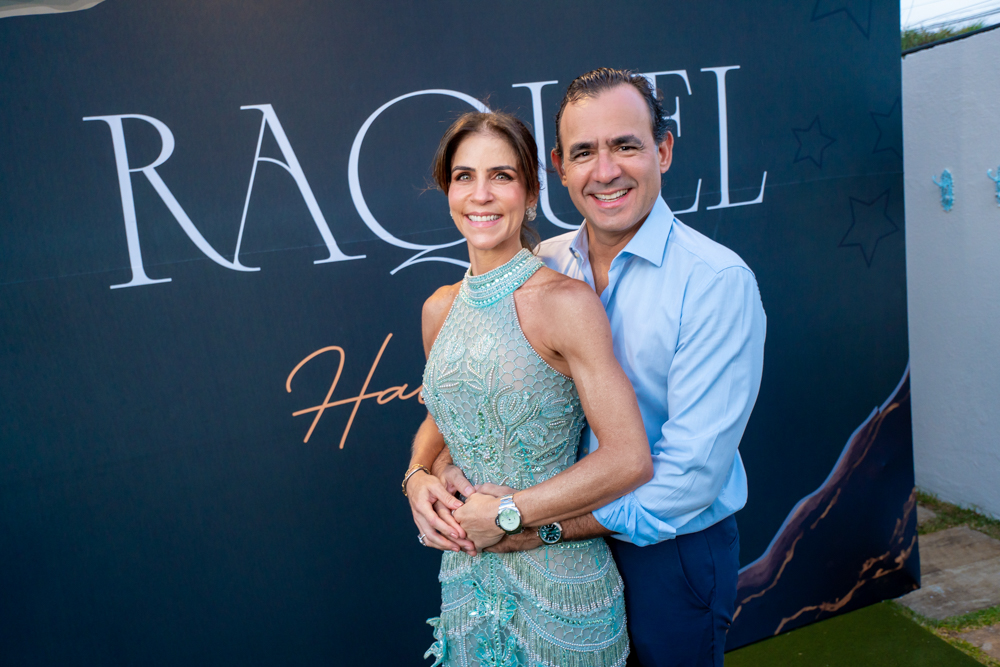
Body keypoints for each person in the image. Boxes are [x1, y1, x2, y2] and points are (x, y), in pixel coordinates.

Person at [411, 68, 767, 667]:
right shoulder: (541, 264)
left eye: (625, 146)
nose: (605, 171)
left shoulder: (715, 282)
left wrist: (531, 523)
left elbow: (689, 475)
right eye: (583, 153)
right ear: (559, 168)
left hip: (667, 550)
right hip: (529, 541)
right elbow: (469, 406)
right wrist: (423, 472)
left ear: (663, 150)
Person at [404, 109, 654, 667]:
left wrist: (506, 513)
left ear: (532, 192)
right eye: (464, 176)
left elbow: (629, 458)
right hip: (467, 581)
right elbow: (448, 417)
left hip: (563, 592)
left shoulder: (566, 304)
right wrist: (420, 476)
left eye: (502, 175)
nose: (481, 194)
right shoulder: (438, 309)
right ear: (448, 192)